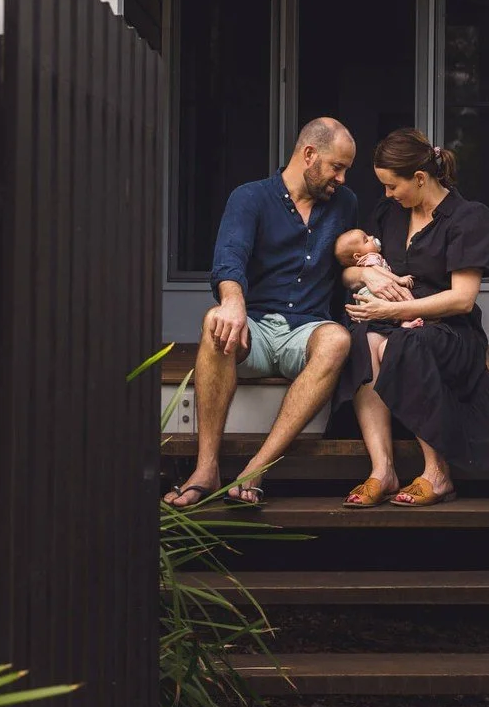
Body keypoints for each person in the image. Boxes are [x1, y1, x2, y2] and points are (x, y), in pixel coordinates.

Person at [163, 117, 396, 508]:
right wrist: (233, 301)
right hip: (252, 328)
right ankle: (206, 468)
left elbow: (345, 265)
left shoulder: (345, 204)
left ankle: (256, 469)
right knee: (214, 320)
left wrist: (365, 273)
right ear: (309, 154)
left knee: (337, 340)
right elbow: (230, 258)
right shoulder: (250, 197)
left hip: (307, 331)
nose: (341, 179)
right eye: (337, 167)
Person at [332, 127, 489, 508]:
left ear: (420, 178)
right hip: (394, 323)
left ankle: (437, 473)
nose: (387, 194)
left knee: (403, 344)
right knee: (362, 340)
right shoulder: (390, 213)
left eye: (392, 185)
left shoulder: (469, 218)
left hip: (451, 332)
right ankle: (382, 470)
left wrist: (394, 310)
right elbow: (350, 271)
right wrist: (365, 276)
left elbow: (462, 300)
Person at [333, 228, 422, 328]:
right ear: (357, 256)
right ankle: (414, 315)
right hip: (373, 294)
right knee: (404, 292)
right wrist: (399, 279)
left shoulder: (363, 262)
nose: (371, 237)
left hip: (367, 296)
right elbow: (380, 271)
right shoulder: (371, 258)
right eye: (366, 240)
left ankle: (403, 324)